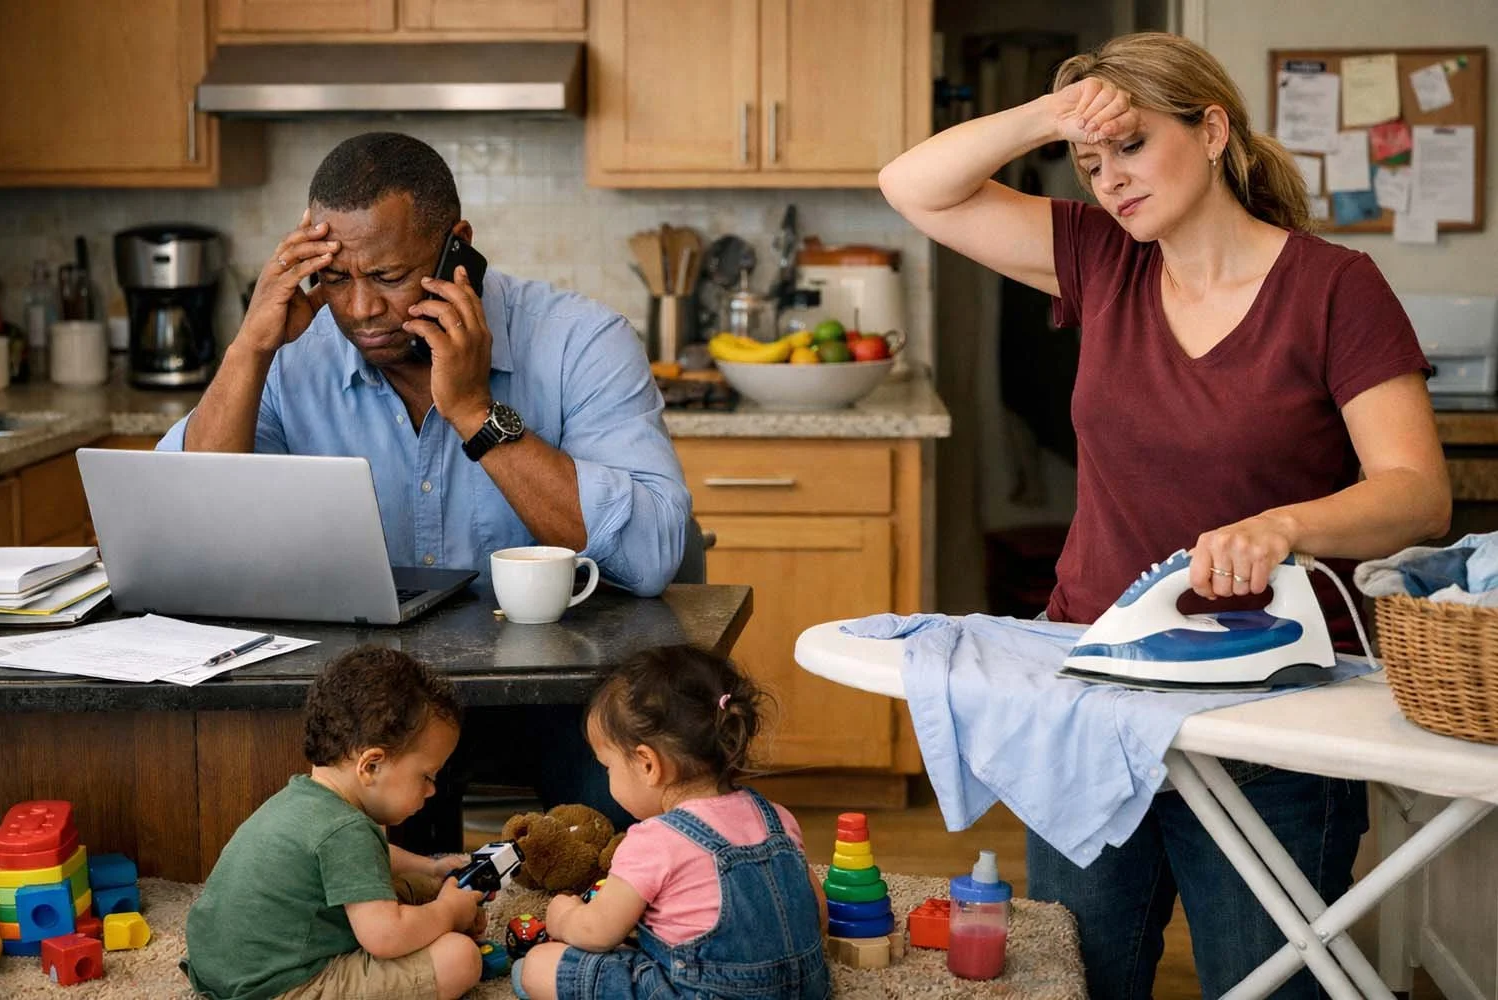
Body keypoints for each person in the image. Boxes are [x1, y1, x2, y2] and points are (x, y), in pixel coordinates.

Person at [878, 32, 1451, 1000]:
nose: (1110, 182)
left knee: (1260, 977)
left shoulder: (1333, 288)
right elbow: (914, 184)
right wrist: (1049, 116)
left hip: (1270, 701)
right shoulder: (1102, 260)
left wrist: (1286, 526)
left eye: (1133, 146)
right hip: (1094, 686)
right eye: (1091, 163)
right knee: (1081, 971)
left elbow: (1416, 490)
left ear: (1213, 129)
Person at [158, 131, 692, 834]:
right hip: (373, 704)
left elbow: (654, 552)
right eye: (336, 278)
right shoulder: (291, 355)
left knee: (623, 839)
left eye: (386, 277)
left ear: (456, 247)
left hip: (569, 692)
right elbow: (192, 521)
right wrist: (250, 347)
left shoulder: (580, 341)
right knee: (351, 861)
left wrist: (475, 415)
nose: (359, 310)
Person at [513, 645, 830, 1000]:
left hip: (700, 993)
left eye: (608, 766)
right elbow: (816, 915)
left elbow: (597, 931)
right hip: (806, 989)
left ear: (648, 764)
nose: (607, 777)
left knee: (537, 966)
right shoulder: (777, 818)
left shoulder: (653, 840)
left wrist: (564, 916)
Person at [183, 645, 487, 1000]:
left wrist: (431, 868)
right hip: (277, 987)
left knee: (416, 886)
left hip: (222, 968)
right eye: (427, 776)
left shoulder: (303, 800)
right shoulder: (345, 830)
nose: (432, 790)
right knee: (458, 958)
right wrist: (447, 913)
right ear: (370, 765)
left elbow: (362, 860)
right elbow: (385, 937)